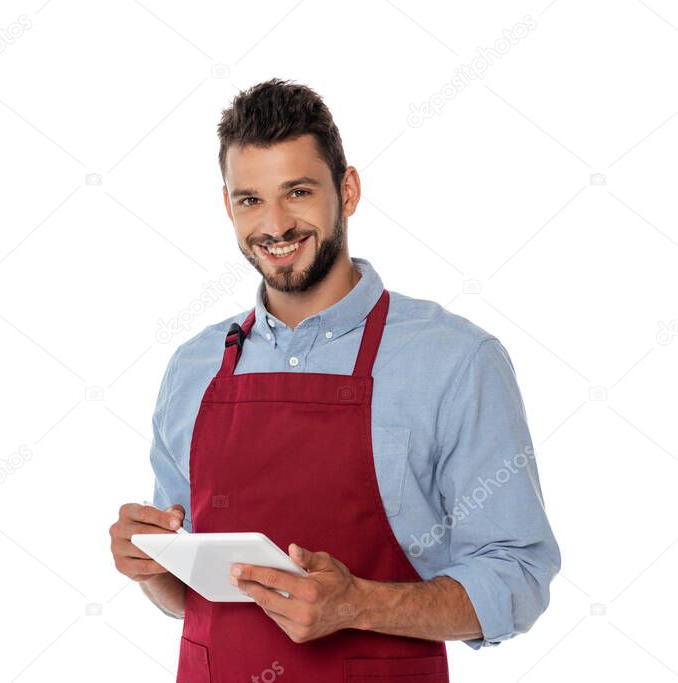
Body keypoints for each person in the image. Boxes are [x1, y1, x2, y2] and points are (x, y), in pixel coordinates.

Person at [109, 78, 560, 682]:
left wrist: (359, 605)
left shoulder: (454, 359)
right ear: (227, 206)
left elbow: (520, 576)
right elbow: (188, 597)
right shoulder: (194, 367)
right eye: (250, 200)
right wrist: (152, 565)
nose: (274, 224)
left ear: (346, 191)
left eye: (297, 191)